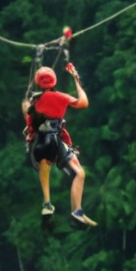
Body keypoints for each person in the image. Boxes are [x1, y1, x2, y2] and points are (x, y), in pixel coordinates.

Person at [22, 62, 95, 227]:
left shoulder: (34, 101)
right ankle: (76, 211)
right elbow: (83, 103)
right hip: (56, 140)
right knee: (79, 173)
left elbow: (28, 115)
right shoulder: (61, 97)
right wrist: (76, 79)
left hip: (39, 143)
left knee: (44, 165)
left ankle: (47, 203)